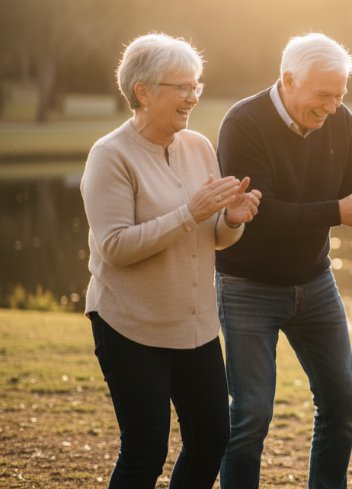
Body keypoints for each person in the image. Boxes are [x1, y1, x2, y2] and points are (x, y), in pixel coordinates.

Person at [81, 33, 261, 488]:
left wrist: (233, 220)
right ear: (143, 91)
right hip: (130, 326)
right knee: (146, 449)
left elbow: (213, 238)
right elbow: (115, 246)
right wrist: (190, 213)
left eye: (196, 85)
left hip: (196, 327)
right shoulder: (110, 156)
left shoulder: (198, 146)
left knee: (211, 437)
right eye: (182, 86)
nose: (193, 96)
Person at [215, 32, 352, 489]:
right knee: (250, 415)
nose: (331, 108)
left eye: (340, 96)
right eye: (322, 96)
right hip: (247, 285)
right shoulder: (243, 123)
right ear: (287, 80)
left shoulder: (340, 119)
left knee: (341, 401)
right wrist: (337, 211)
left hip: (314, 281)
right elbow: (260, 212)